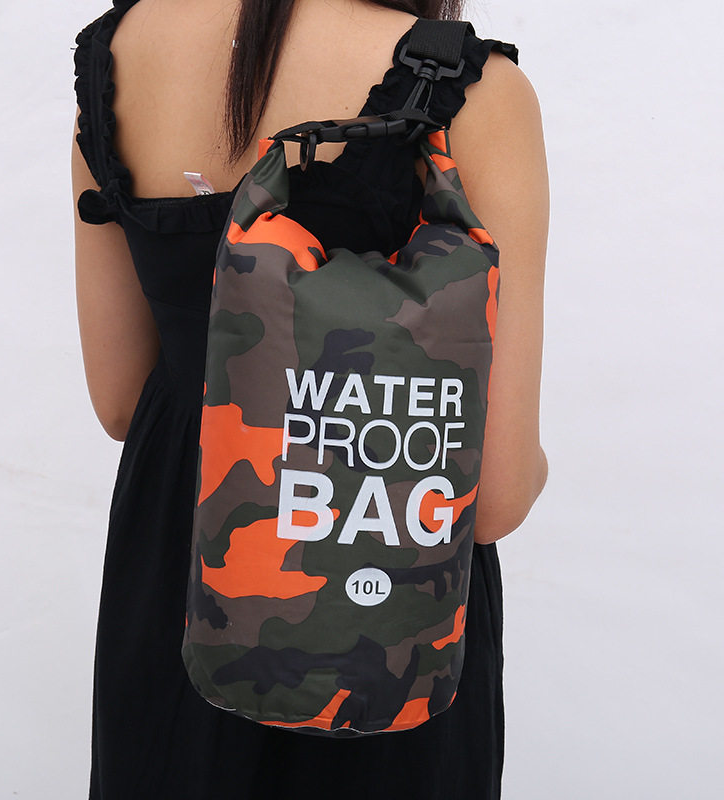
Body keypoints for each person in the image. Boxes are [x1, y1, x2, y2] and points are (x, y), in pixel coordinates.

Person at [71, 0, 548, 797]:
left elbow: (120, 401)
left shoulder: (115, 52)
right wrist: (539, 467)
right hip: (381, 625)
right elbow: (493, 499)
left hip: (176, 587)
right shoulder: (470, 91)